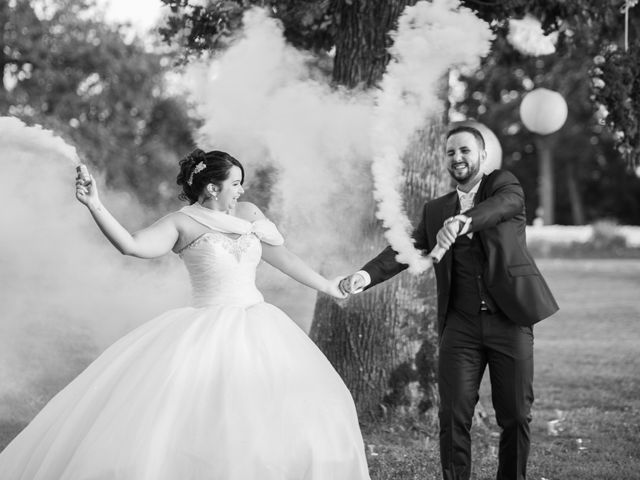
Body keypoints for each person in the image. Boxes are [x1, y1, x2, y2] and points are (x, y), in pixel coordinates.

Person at [0, 149, 371, 480]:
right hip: (206, 326)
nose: (241, 190)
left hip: (259, 322)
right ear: (212, 188)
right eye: (236, 183)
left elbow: (282, 258)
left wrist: (328, 286)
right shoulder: (181, 223)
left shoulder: (249, 214)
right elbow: (132, 246)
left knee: (295, 409)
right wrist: (94, 204)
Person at [339, 125, 558, 480]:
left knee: (516, 415)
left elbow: (501, 208)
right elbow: (402, 251)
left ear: (482, 155)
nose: (457, 158)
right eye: (451, 152)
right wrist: (364, 276)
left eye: (465, 151)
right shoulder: (436, 209)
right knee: (453, 416)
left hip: (509, 319)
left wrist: (462, 223)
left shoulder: (504, 185)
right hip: (461, 326)